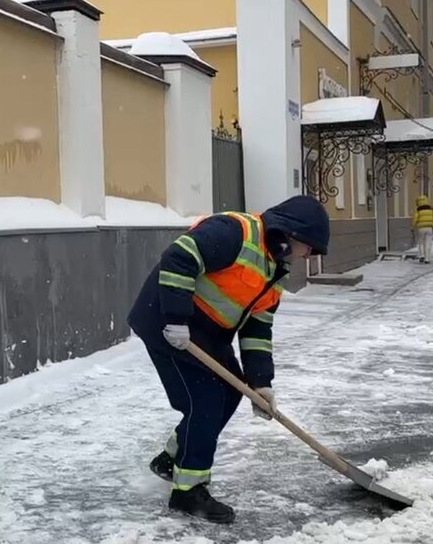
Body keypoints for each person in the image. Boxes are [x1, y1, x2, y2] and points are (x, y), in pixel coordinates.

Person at [127, 196, 330, 524]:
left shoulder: (274, 273)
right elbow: (180, 256)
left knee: (230, 392)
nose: (308, 255)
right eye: (309, 247)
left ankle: (173, 457)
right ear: (291, 234)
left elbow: (257, 330)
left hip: (208, 334)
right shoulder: (234, 232)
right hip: (167, 321)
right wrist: (176, 316)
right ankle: (188, 492)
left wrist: (261, 384)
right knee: (204, 401)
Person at [412, 195, 433, 263]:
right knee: (428, 243)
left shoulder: (418, 210)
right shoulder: (431, 209)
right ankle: (427, 259)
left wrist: (413, 226)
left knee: (421, 242)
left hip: (421, 228)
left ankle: (422, 256)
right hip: (429, 228)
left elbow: (415, 219)